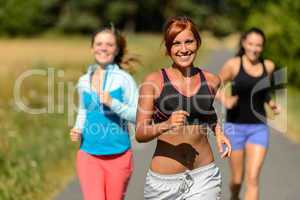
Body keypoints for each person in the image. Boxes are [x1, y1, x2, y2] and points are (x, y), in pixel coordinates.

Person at [135, 16, 232, 200]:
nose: (184, 49)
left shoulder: (212, 81)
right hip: (163, 183)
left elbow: (207, 111)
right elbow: (140, 133)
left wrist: (219, 133)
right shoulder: (154, 82)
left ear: (198, 43)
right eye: (176, 43)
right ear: (168, 48)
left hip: (204, 176)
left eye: (189, 41)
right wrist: (167, 124)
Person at [69, 26, 138, 200]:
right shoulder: (83, 80)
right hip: (88, 154)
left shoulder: (125, 79)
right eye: (99, 44)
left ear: (116, 50)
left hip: (119, 155)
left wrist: (113, 103)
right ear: (92, 48)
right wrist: (77, 128)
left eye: (109, 44)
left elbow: (138, 115)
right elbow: (84, 110)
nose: (103, 48)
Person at [217, 27, 280, 200]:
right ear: (244, 43)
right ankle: (234, 196)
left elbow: (262, 91)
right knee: (237, 180)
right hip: (234, 128)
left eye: (258, 45)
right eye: (251, 44)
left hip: (258, 128)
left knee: (252, 179)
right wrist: (225, 100)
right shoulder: (233, 64)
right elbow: (213, 86)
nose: (254, 49)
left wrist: (272, 104)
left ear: (262, 47)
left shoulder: (268, 66)